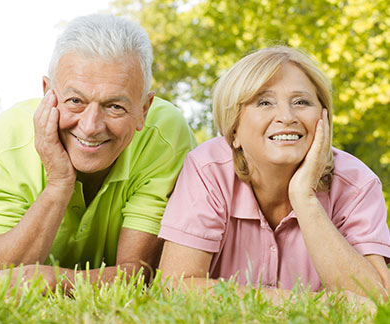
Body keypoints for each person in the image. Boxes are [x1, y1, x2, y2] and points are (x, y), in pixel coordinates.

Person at [0, 14, 196, 288]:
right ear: (48, 93)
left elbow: (141, 273)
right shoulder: (7, 137)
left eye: (115, 106)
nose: (91, 126)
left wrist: (56, 281)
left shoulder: (166, 134)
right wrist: (59, 184)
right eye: (75, 101)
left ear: (144, 109)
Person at [158, 46, 390, 299]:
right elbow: (176, 286)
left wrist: (305, 199)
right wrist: (305, 304)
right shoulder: (207, 169)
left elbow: (376, 299)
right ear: (234, 130)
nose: (287, 116)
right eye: (264, 102)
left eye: (301, 102)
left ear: (323, 117)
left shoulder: (357, 183)